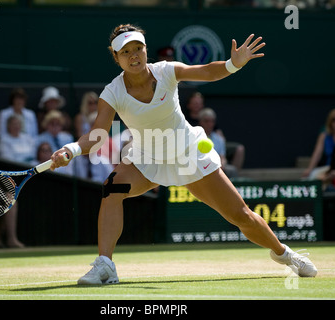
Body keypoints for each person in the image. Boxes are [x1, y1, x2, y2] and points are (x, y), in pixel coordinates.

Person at [50, 24, 317, 284]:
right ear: (116, 57)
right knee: (112, 189)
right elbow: (97, 135)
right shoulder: (112, 93)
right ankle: (105, 266)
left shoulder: (166, 71)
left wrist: (233, 64)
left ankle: (285, 254)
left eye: (138, 48)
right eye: (125, 52)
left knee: (241, 216)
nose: (133, 55)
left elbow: (206, 72)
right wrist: (72, 149)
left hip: (188, 153)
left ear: (145, 50)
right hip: (146, 158)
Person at [185, 91, 245, 171]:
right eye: (206, 121)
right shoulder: (186, 121)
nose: (209, 124)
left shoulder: (216, 136)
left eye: (199, 103)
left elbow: (222, 154)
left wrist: (220, 164)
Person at [303, 108, 335, 179]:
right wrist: (309, 169)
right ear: (330, 121)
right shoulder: (324, 136)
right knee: (312, 176)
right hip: (328, 167)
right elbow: (317, 154)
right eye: (334, 119)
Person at [198, 108, 238, 178]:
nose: (209, 124)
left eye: (212, 121)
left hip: (216, 167)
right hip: (200, 167)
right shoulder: (194, 137)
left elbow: (222, 157)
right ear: (201, 122)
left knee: (232, 170)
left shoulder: (219, 139)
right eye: (206, 121)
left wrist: (221, 165)